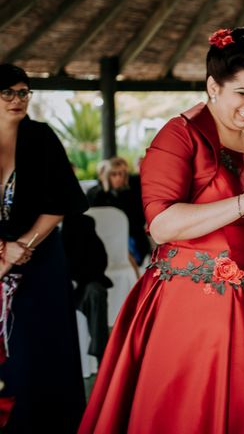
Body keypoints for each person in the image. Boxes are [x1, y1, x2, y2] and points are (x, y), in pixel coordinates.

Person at [79, 28, 244, 433]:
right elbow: (161, 224)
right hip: (194, 303)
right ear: (212, 85)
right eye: (242, 93)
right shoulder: (179, 135)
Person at [0, 64, 87, 433]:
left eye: (24, 92)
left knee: (38, 349)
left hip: (40, 258)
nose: (18, 100)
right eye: (8, 93)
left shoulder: (41, 137)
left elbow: (62, 201)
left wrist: (21, 246)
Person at [61, 213, 112, 361]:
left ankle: (101, 355)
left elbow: (99, 260)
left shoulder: (83, 222)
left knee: (96, 292)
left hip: (79, 284)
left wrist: (75, 281)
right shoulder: (30, 226)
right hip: (48, 289)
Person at [87, 156, 150, 266]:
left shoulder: (132, 191)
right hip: (104, 238)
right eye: (114, 174)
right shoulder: (96, 194)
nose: (118, 178)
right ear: (107, 175)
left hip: (131, 237)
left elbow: (138, 220)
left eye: (121, 174)